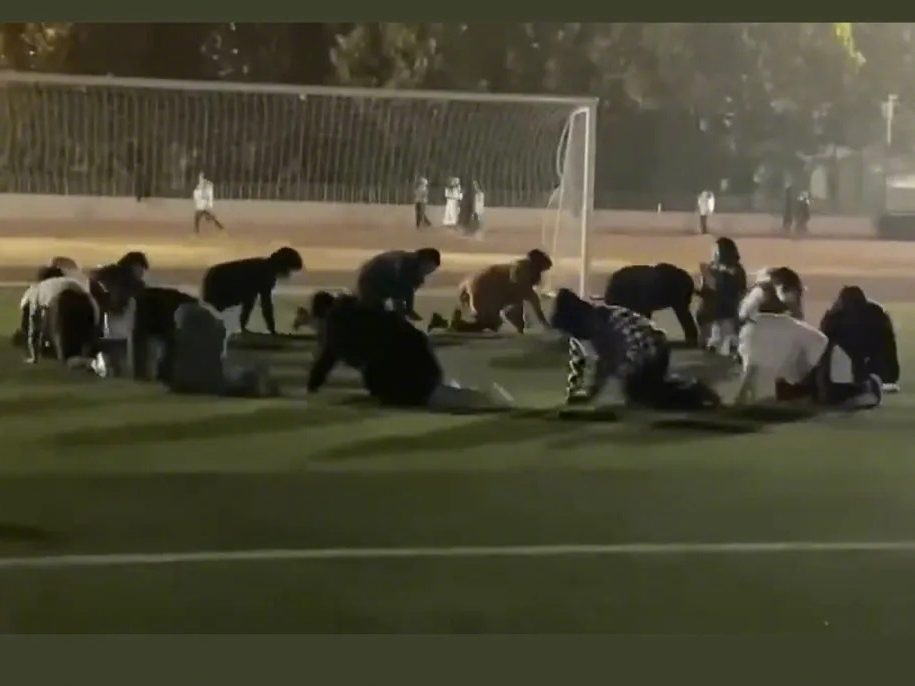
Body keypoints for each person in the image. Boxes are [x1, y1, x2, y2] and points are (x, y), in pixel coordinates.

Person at [307, 291, 511, 410]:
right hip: (417, 350)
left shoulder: (336, 322)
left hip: (397, 363)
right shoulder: (362, 309)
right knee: (430, 390)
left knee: (421, 396)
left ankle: (482, 401)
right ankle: (482, 398)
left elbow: (327, 358)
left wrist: (312, 386)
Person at [550, 288, 721, 411]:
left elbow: (624, 354)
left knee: (645, 395)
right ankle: (683, 390)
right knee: (640, 394)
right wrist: (574, 393)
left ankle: (693, 390)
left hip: (653, 349)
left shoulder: (607, 320)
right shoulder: (582, 330)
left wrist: (598, 388)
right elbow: (579, 362)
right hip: (640, 353)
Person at [735, 311, 882, 409]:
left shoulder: (749, 336)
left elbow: (751, 374)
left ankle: (868, 386)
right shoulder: (754, 324)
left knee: (830, 400)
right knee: (787, 395)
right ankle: (818, 390)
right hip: (807, 360)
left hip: (825, 356)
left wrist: (740, 402)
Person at [427, 249, 552, 334]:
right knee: (489, 323)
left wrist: (546, 327)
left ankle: (447, 323)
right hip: (482, 289)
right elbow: (519, 292)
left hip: (480, 288)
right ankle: (449, 324)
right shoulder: (521, 269)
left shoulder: (523, 277)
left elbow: (530, 304)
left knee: (492, 323)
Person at [167, 301, 277, 397]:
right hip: (211, 381)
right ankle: (261, 387)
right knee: (254, 372)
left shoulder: (179, 338)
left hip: (185, 381)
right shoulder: (213, 333)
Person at [200, 246, 304, 340]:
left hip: (214, 280)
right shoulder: (264, 272)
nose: (289, 273)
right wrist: (272, 331)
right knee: (250, 295)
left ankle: (242, 328)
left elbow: (253, 299)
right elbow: (265, 305)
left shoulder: (262, 267)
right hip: (216, 284)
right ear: (282, 265)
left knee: (250, 295)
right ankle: (242, 328)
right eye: (289, 269)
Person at [819, 286, 900, 393]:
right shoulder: (877, 313)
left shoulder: (838, 317)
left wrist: (829, 315)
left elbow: (823, 339)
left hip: (854, 374)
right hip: (886, 372)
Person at [603, 263, 699, 347]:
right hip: (675, 282)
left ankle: (691, 338)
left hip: (672, 284)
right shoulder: (629, 280)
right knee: (682, 311)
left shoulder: (628, 282)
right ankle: (691, 338)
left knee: (681, 310)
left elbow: (643, 310)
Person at [21, 273, 100, 365]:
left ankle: (92, 363)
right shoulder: (51, 285)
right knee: (82, 346)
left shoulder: (33, 294)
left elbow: (33, 328)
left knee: (65, 358)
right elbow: (93, 310)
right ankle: (90, 356)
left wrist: (34, 357)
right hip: (86, 302)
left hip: (61, 303)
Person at [355, 248, 440, 322]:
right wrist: (407, 312)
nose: (429, 272)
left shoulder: (411, 264)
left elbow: (402, 291)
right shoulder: (409, 262)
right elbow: (401, 291)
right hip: (371, 282)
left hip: (378, 283)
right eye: (431, 268)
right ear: (426, 261)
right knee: (373, 312)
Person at [696, 237, 747, 355]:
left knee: (723, 348)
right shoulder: (710, 268)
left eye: (716, 250)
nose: (713, 253)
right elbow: (706, 291)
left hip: (724, 313)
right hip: (710, 313)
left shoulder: (736, 271)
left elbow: (739, 292)